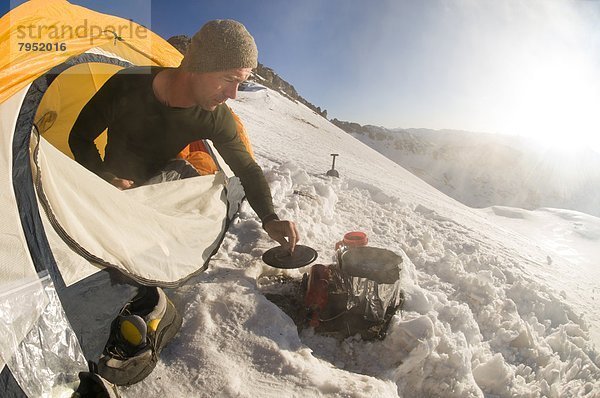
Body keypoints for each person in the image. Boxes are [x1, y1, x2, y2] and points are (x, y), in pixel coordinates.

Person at [69, 19, 299, 253]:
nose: (233, 94)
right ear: (197, 66)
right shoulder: (128, 83)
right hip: (116, 184)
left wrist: (269, 218)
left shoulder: (215, 117)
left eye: (240, 83)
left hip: (164, 185)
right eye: (229, 79)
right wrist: (104, 178)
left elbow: (247, 169)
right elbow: (80, 136)